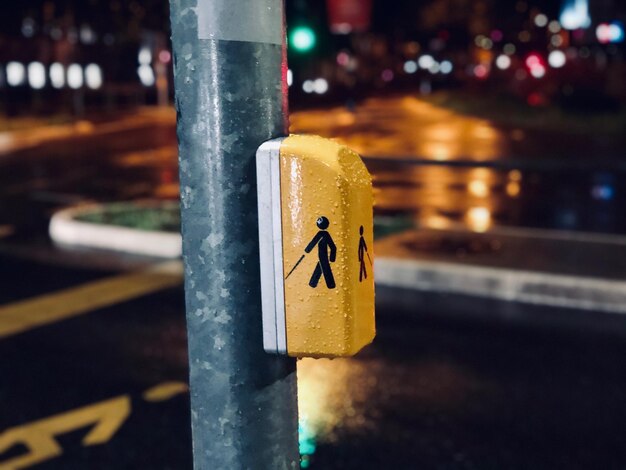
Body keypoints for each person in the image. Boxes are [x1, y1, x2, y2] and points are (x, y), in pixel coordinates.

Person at [305, 216, 336, 289]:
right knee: (322, 266)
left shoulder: (321, 234)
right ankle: (313, 283)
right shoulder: (325, 234)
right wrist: (332, 258)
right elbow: (333, 247)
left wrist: (307, 250)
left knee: (324, 267)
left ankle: (329, 284)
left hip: (322, 255)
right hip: (322, 255)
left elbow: (313, 242)